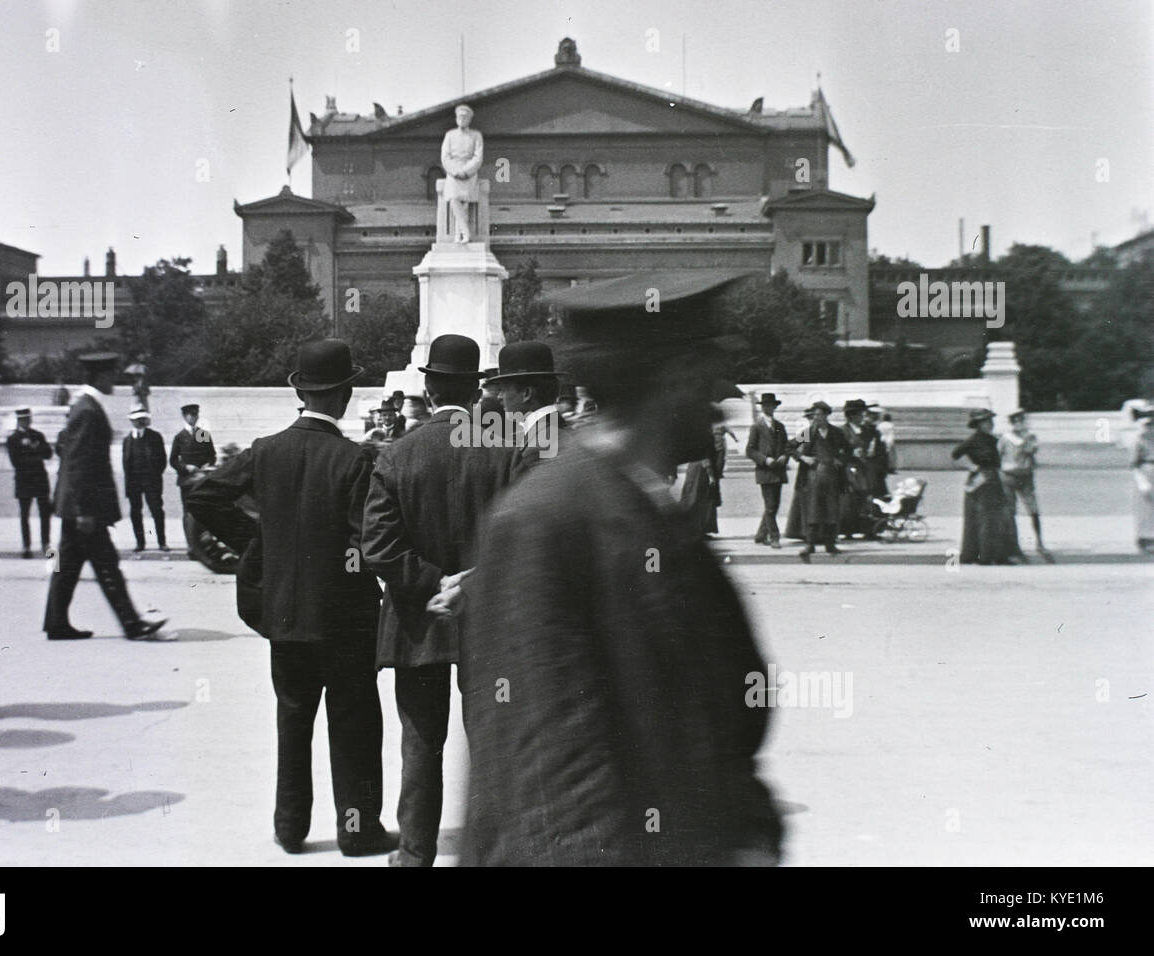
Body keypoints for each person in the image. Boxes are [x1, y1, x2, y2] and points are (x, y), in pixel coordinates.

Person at [458, 315, 783, 866]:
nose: (721, 405)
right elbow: (555, 780)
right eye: (710, 382)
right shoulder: (545, 519)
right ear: (675, 378)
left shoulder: (653, 508)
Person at [188, 340, 395, 857]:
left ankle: (290, 826)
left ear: (299, 392)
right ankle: (356, 829)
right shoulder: (353, 460)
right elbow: (363, 543)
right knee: (353, 724)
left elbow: (204, 495)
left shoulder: (264, 450)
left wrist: (259, 545)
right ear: (345, 395)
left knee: (293, 717)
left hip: (283, 613)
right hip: (345, 618)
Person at [361, 334, 517, 867]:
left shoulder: (397, 453)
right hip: (489, 616)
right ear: (476, 392)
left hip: (418, 619)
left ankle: (414, 853)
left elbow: (378, 545)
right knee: (492, 740)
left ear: (427, 390)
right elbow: (523, 537)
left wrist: (431, 583)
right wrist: (467, 582)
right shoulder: (506, 448)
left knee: (420, 743)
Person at [43, 353, 168, 641]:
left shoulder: (84, 405)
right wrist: (84, 510)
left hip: (79, 505)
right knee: (106, 564)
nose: (114, 381)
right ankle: (131, 624)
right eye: (111, 375)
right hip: (86, 507)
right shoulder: (87, 410)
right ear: (99, 376)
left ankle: (55, 622)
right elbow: (78, 462)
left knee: (70, 566)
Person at [951, 408, 1020, 565]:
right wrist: (972, 467)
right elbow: (955, 455)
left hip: (995, 479)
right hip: (981, 481)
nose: (991, 424)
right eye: (987, 422)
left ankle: (997, 555)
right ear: (979, 424)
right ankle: (985, 555)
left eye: (991, 421)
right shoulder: (973, 440)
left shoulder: (994, 440)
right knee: (985, 519)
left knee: (998, 518)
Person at [486, 341, 565, 473]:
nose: (499, 397)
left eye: (504, 389)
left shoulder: (537, 447)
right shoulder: (557, 429)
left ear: (526, 393)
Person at [789, 401, 851, 562]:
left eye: (819, 414)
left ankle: (830, 544)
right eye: (814, 415)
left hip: (832, 478)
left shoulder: (836, 433)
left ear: (826, 415)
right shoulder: (809, 432)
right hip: (812, 478)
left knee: (831, 510)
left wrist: (841, 459)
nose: (816, 418)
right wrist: (803, 457)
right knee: (813, 510)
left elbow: (849, 450)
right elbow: (788, 446)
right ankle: (810, 545)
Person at [999, 409, 1051, 561]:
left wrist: (1024, 440)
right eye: (1016, 421)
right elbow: (999, 455)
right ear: (1012, 423)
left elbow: (1032, 449)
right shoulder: (1005, 438)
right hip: (1008, 476)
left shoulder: (1030, 437)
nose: (1020, 423)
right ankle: (1013, 545)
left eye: (1022, 420)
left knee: (1033, 510)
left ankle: (1039, 542)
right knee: (1010, 511)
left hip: (1025, 476)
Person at [6, 406, 53, 559]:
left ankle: (45, 543)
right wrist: (35, 455)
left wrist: (36, 448)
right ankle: (26, 545)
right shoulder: (13, 439)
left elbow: (48, 454)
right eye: (22, 419)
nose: (25, 421)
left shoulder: (38, 435)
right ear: (18, 420)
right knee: (24, 514)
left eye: (27, 419)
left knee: (44, 514)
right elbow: (16, 461)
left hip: (39, 478)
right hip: (24, 479)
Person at [171, 403, 216, 558]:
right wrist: (185, 468)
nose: (193, 417)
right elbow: (173, 460)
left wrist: (207, 465)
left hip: (201, 479)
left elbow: (212, 455)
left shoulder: (202, 434)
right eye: (190, 415)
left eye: (195, 414)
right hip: (186, 481)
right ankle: (191, 546)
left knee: (202, 512)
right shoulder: (180, 436)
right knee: (188, 513)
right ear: (184, 417)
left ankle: (202, 545)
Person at [121, 405, 168, 553]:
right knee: (135, 512)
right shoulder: (127, 440)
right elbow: (125, 464)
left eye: (142, 419)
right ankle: (140, 542)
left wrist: (154, 476)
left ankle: (162, 542)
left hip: (151, 481)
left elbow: (162, 460)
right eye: (136, 420)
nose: (139, 422)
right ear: (131, 421)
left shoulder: (155, 437)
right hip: (134, 482)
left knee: (156, 511)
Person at [746, 392, 789, 548]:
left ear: (775, 407)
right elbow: (750, 450)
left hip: (778, 470)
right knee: (771, 505)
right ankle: (774, 537)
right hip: (765, 471)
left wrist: (785, 456)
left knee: (774, 505)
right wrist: (765, 459)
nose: (769, 408)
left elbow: (787, 446)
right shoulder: (756, 427)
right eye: (766, 405)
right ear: (762, 407)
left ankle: (760, 534)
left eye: (771, 405)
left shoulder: (780, 426)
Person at [441, 104, 484, 243]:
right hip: (453, 174)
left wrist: (466, 172)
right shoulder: (450, 135)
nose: (462, 119)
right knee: (454, 199)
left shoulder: (476, 135)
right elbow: (445, 157)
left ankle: (459, 235)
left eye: (465, 117)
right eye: (460, 116)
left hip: (469, 173)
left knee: (465, 203)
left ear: (470, 119)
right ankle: (465, 233)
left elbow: (478, 157)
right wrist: (455, 171)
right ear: (456, 118)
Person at [838, 399, 879, 539]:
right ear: (851, 416)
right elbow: (838, 450)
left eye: (862, 414)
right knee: (850, 501)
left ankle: (868, 530)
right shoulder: (842, 431)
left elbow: (874, 447)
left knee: (867, 499)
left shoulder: (868, 430)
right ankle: (848, 531)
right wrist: (850, 453)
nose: (862, 417)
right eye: (859, 414)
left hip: (866, 468)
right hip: (850, 469)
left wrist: (871, 453)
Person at [1130, 406, 1154, 554]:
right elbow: (1134, 463)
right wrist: (1141, 481)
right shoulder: (1140, 438)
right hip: (1147, 470)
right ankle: (1145, 539)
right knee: (1145, 507)